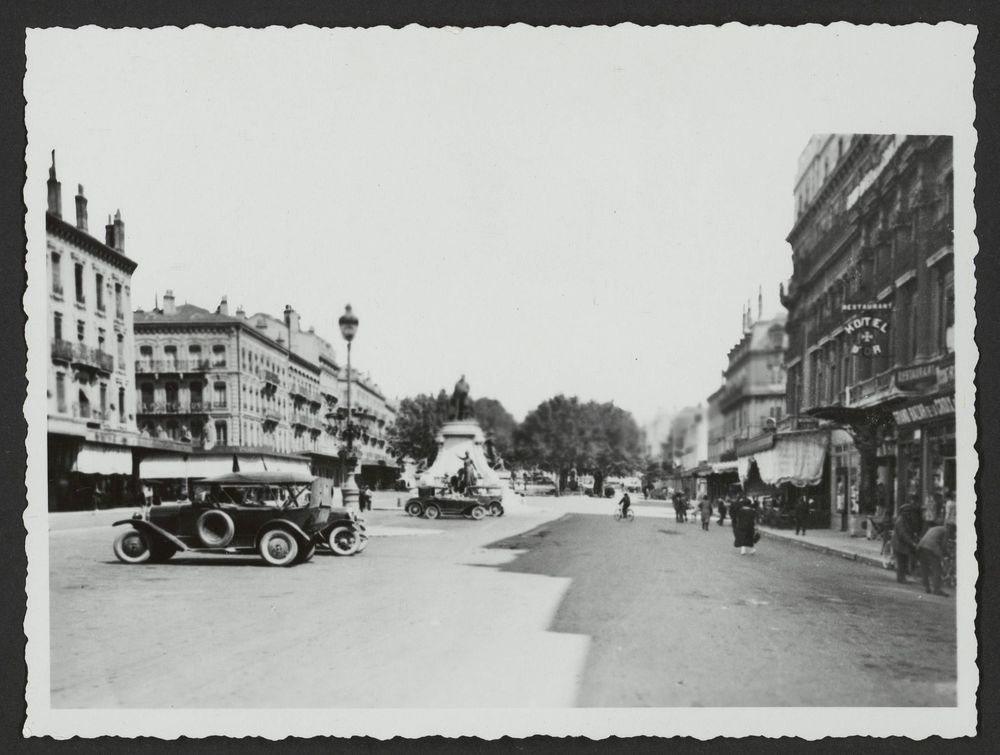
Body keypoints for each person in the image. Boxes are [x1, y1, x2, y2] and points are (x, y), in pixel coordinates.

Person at [916, 522, 955, 596]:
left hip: (921, 546)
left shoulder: (934, 528)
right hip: (931, 548)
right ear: (951, 529)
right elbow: (943, 546)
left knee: (924, 567)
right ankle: (936, 589)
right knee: (937, 568)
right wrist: (948, 554)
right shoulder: (946, 531)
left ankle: (926, 586)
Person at [891, 499, 923, 584]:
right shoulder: (900, 521)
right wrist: (912, 543)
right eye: (908, 512)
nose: (909, 514)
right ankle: (901, 578)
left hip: (902, 544)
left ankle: (902, 577)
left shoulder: (906, 520)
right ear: (904, 512)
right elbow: (903, 534)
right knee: (901, 561)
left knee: (903, 561)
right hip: (899, 544)